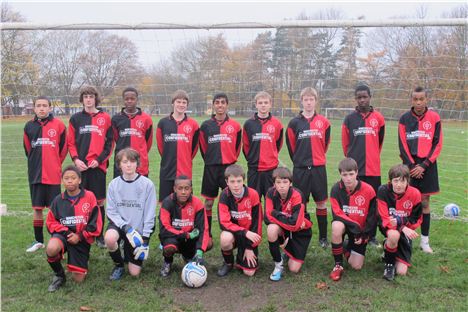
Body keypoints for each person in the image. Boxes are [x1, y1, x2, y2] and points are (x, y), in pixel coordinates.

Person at [398, 86, 443, 254]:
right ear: (411, 100)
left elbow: (437, 144)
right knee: (407, 202)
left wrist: (424, 165)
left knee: (424, 202)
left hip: (428, 166)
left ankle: (425, 241)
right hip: (409, 165)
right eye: (415, 99)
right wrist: (411, 166)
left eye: (421, 99)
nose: (418, 102)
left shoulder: (435, 118)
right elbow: (402, 144)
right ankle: (405, 239)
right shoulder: (404, 119)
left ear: (426, 100)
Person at [68, 85, 113, 248]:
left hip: (97, 167)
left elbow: (109, 144)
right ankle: (80, 233)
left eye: (91, 96)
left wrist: (99, 160)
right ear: (82, 100)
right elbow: (71, 142)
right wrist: (76, 160)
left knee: (99, 202)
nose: (88, 99)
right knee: (80, 200)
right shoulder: (75, 119)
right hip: (81, 168)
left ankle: (99, 235)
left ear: (96, 98)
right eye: (85, 97)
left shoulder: (105, 118)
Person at [286, 87, 331, 248]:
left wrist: (316, 158)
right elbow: (291, 147)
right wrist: (300, 161)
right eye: (306, 99)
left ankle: (323, 238)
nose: (309, 102)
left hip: (318, 169)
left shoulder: (324, 122)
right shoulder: (294, 123)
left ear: (316, 101)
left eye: (311, 99)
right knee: (300, 203)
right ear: (301, 101)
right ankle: (301, 233)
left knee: (321, 203)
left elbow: (325, 144)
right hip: (301, 169)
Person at [45, 165, 102, 292]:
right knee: (51, 248)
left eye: (73, 178)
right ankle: (59, 275)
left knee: (78, 280)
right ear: (62, 181)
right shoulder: (58, 200)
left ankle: (78, 259)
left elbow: (95, 223)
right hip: (65, 236)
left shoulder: (89, 196)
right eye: (66, 178)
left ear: (80, 180)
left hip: (82, 238)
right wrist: (67, 233)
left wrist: (80, 236)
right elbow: (50, 222)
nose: (70, 181)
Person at [341, 84, 385, 247]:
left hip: (373, 169)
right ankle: (352, 233)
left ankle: (371, 235)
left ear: (370, 97)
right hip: (355, 170)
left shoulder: (378, 118)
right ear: (355, 99)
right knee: (353, 203)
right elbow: (346, 144)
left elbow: (379, 142)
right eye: (359, 97)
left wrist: (372, 156)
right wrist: (352, 162)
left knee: (372, 203)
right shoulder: (349, 119)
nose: (362, 100)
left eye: (364, 96)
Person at [105, 148, 157, 280]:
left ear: (137, 164)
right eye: (125, 161)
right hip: (121, 226)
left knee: (134, 273)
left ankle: (129, 251)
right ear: (119, 165)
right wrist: (125, 227)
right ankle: (118, 265)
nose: (129, 165)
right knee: (110, 238)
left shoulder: (147, 184)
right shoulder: (113, 185)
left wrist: (145, 239)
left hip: (137, 231)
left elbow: (150, 213)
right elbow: (111, 212)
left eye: (132, 161)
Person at [23, 96, 67, 252]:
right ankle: (38, 240)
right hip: (35, 173)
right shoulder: (28, 126)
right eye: (38, 106)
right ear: (34, 108)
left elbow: (63, 149)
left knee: (56, 209)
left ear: (50, 108)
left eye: (44, 105)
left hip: (53, 174)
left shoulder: (59, 125)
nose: (41, 108)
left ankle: (57, 238)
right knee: (37, 208)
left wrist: (54, 163)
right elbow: (28, 149)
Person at [199, 93, 242, 235]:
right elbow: (203, 147)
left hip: (229, 169)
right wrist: (212, 160)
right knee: (209, 203)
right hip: (211, 168)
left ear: (227, 105)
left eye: (223, 102)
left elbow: (237, 147)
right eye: (217, 102)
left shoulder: (235, 126)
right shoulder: (205, 126)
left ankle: (233, 231)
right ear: (213, 105)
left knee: (232, 201)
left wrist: (230, 160)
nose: (220, 105)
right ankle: (207, 233)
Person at [329, 158, 377, 282]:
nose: (348, 178)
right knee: (336, 226)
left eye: (351, 174)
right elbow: (337, 214)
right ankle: (338, 265)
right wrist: (354, 225)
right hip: (347, 226)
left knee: (356, 266)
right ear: (340, 174)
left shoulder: (369, 190)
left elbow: (372, 217)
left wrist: (364, 234)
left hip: (360, 232)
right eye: (345, 175)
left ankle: (345, 247)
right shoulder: (335, 189)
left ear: (357, 173)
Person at [264, 167, 312, 281]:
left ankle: (288, 251)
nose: (281, 185)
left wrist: (275, 213)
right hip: (284, 227)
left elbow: (295, 224)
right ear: (274, 184)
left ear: (290, 183)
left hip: (300, 231)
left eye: (285, 182)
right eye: (278, 182)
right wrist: (286, 219)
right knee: (271, 229)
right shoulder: (270, 193)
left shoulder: (297, 195)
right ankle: (278, 264)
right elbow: (266, 218)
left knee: (294, 269)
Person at [158, 176, 212, 277]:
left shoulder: (197, 203)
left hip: (190, 239)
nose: (183, 192)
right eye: (180, 188)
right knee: (169, 248)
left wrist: (200, 251)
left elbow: (203, 228)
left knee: (208, 242)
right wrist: (186, 235)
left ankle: (190, 256)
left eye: (186, 188)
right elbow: (164, 228)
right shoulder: (167, 202)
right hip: (173, 237)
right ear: (174, 189)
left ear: (191, 189)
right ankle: (167, 262)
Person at [377, 164, 422, 281]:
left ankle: (388, 247)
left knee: (401, 272)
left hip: (406, 229)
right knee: (393, 235)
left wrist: (400, 222)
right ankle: (389, 266)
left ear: (408, 181)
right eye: (395, 181)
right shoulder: (383, 191)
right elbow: (384, 218)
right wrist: (401, 228)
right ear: (390, 181)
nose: (398, 185)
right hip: (388, 228)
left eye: (402, 181)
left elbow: (417, 219)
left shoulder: (415, 194)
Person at [217, 164, 262, 277]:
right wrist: (244, 232)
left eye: (238, 181)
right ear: (227, 182)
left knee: (249, 272)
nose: (236, 185)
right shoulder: (224, 195)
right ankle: (228, 263)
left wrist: (249, 247)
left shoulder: (253, 194)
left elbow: (257, 223)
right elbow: (224, 223)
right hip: (236, 234)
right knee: (225, 238)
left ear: (243, 180)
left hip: (249, 236)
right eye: (232, 181)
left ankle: (241, 256)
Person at [156, 90, 199, 202]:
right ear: (173, 103)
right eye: (178, 101)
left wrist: (185, 159)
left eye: (184, 102)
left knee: (185, 203)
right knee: (165, 203)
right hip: (167, 169)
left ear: (187, 105)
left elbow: (194, 148)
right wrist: (168, 158)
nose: (181, 104)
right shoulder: (163, 123)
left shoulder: (193, 124)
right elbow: (161, 146)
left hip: (185, 170)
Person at [243, 91, 283, 200]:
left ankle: (269, 218)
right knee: (253, 200)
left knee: (271, 200)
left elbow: (278, 144)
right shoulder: (248, 124)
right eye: (260, 103)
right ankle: (256, 218)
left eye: (266, 102)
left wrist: (270, 156)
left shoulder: (277, 124)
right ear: (256, 105)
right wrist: (252, 159)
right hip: (254, 169)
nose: (263, 105)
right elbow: (246, 146)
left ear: (270, 104)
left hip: (271, 170)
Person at [111, 87, 153, 178]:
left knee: (140, 191)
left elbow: (148, 142)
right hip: (121, 162)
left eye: (132, 99)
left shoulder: (146, 119)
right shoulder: (116, 119)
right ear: (123, 100)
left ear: (137, 99)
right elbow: (116, 139)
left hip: (140, 164)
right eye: (127, 99)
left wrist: (140, 152)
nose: (129, 101)